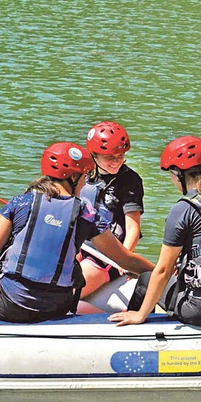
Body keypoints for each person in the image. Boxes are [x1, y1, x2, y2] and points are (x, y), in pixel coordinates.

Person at [0, 143, 154, 322]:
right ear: (73, 177)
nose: (84, 183)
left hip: (10, 304)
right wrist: (159, 270)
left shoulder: (20, 203)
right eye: (84, 177)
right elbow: (125, 259)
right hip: (58, 307)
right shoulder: (87, 214)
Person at [110, 136, 201, 327]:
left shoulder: (183, 209)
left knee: (147, 279)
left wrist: (140, 314)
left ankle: (136, 324)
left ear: (178, 174)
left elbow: (162, 270)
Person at [78, 121, 146, 296]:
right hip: (80, 247)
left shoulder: (130, 180)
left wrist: (123, 260)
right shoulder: (83, 174)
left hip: (107, 256)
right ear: (93, 155)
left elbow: (133, 229)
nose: (117, 161)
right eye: (110, 157)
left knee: (68, 291)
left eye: (121, 156)